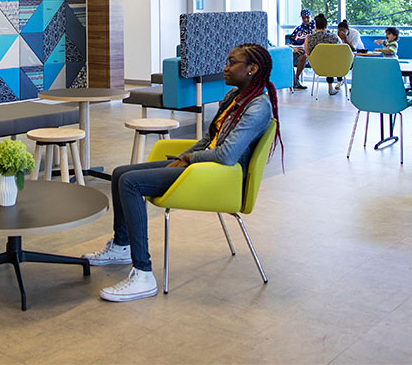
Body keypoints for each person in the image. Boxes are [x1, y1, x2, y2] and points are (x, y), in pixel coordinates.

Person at [82, 43, 282, 302]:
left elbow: (227, 155)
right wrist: (181, 157)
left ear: (252, 69)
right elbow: (210, 139)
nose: (225, 67)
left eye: (232, 62)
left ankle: (143, 274)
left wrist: (189, 158)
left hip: (218, 177)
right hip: (202, 166)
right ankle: (122, 245)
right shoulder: (235, 97)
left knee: (131, 183)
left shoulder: (257, 107)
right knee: (121, 173)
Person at [304, 14, 342, 95]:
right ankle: (331, 87)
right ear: (326, 26)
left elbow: (308, 53)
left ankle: (330, 87)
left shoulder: (309, 38)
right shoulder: (334, 37)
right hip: (333, 66)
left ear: (315, 26)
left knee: (326, 59)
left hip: (317, 66)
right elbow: (341, 50)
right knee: (330, 59)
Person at [286, 8, 315, 90]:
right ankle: (291, 81)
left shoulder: (314, 27)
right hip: (295, 47)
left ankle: (296, 79)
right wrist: (290, 46)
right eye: (303, 18)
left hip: (307, 49)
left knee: (303, 57)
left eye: (307, 17)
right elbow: (291, 39)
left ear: (311, 16)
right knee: (286, 56)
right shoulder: (299, 28)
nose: (305, 19)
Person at [334, 20, 362, 92]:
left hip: (358, 54)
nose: (341, 33)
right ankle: (339, 81)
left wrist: (345, 39)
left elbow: (353, 48)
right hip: (345, 55)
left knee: (355, 66)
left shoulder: (355, 33)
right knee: (337, 61)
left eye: (343, 31)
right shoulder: (337, 35)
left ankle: (355, 85)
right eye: (339, 31)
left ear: (348, 30)